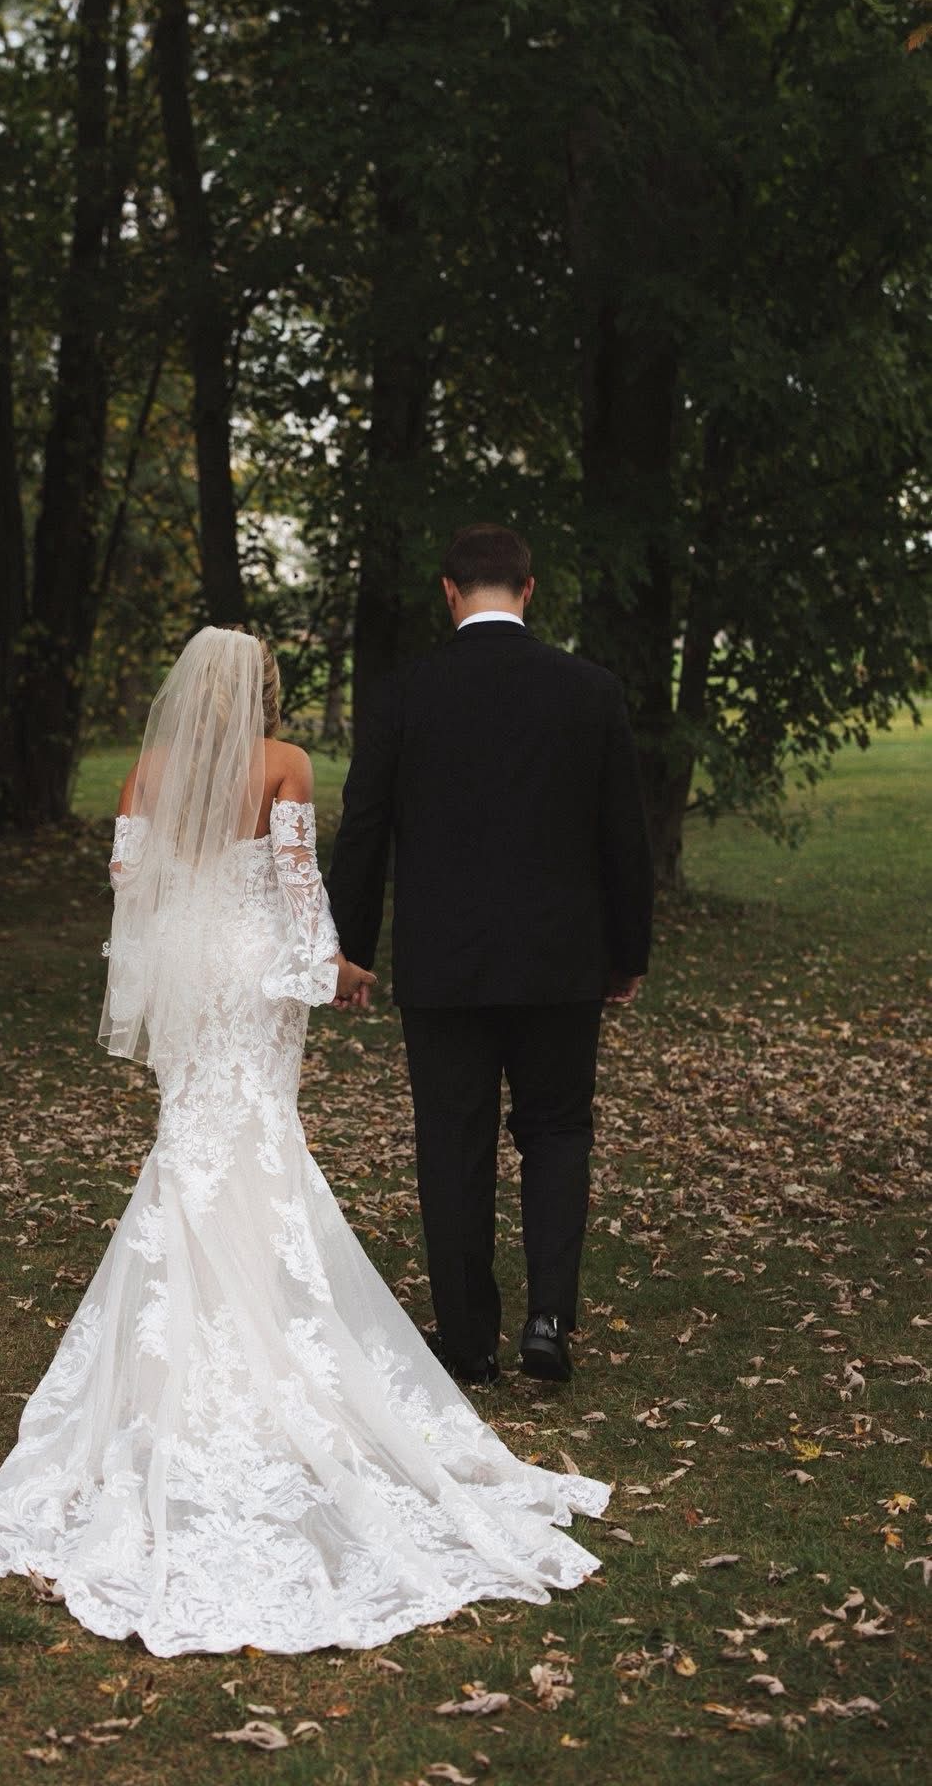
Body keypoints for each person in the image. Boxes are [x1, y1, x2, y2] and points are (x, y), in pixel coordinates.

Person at [0, 624, 613, 1656]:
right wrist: (332, 967)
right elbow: (301, 881)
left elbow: (132, 891)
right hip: (255, 973)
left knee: (193, 1140)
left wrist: (178, 946)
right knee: (257, 1131)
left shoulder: (143, 773)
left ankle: (188, 1336)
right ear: (263, 689)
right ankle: (264, 1323)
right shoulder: (286, 764)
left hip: (189, 969)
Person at [326, 523, 655, 1389]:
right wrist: (628, 953)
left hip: (445, 967)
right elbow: (626, 835)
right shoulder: (590, 691)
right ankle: (549, 1319)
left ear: (448, 592)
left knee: (453, 1141)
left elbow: (364, 830)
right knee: (556, 1130)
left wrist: (346, 947)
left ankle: (467, 1345)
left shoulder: (405, 694)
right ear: (529, 589)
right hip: (559, 962)